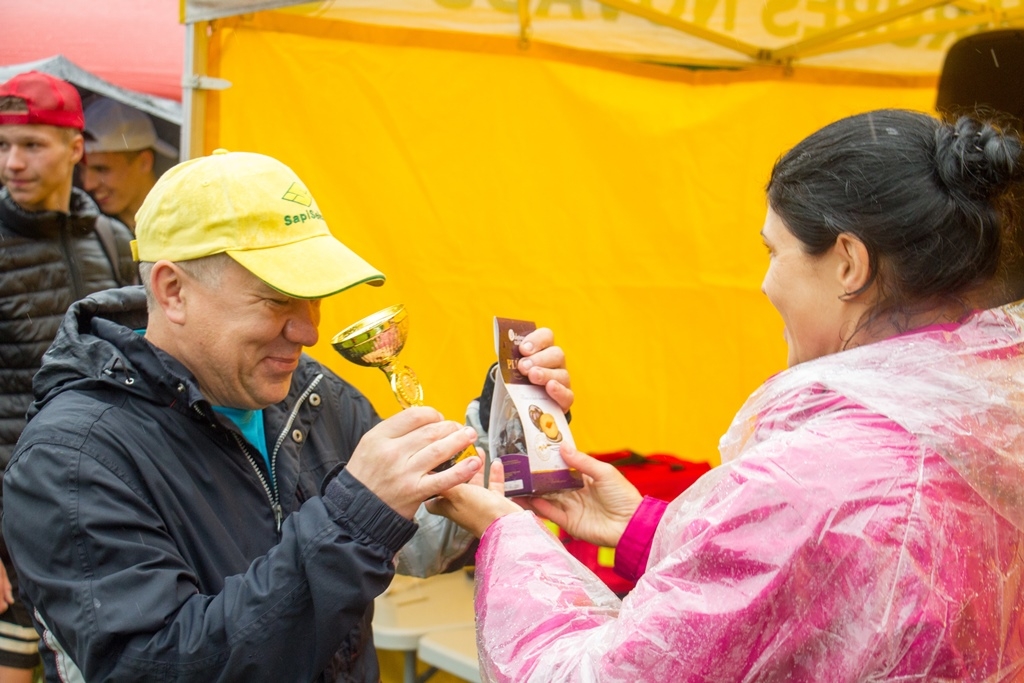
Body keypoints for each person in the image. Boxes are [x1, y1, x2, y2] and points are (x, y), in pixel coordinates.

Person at [430, 109, 1024, 681]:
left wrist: (512, 536)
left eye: (773, 251)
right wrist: (641, 525)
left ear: (849, 264)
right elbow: (809, 582)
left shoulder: (811, 478)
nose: (765, 283)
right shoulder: (995, 425)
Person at [1, 147, 572, 682]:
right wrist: (354, 519)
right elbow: (158, 665)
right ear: (172, 289)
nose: (309, 329)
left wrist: (513, 430)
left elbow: (419, 540)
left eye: (314, 296)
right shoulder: (73, 458)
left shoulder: (316, 393)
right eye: (277, 298)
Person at [0, 70, 137, 683]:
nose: (13, 162)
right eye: (3, 146)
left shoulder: (111, 239)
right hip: (14, 522)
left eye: (32, 144)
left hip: (101, 510)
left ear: (76, 147)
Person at [81, 97, 179, 231]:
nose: (88, 184)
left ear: (144, 162)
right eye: (81, 170)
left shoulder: (183, 223)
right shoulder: (88, 229)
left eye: (101, 169)